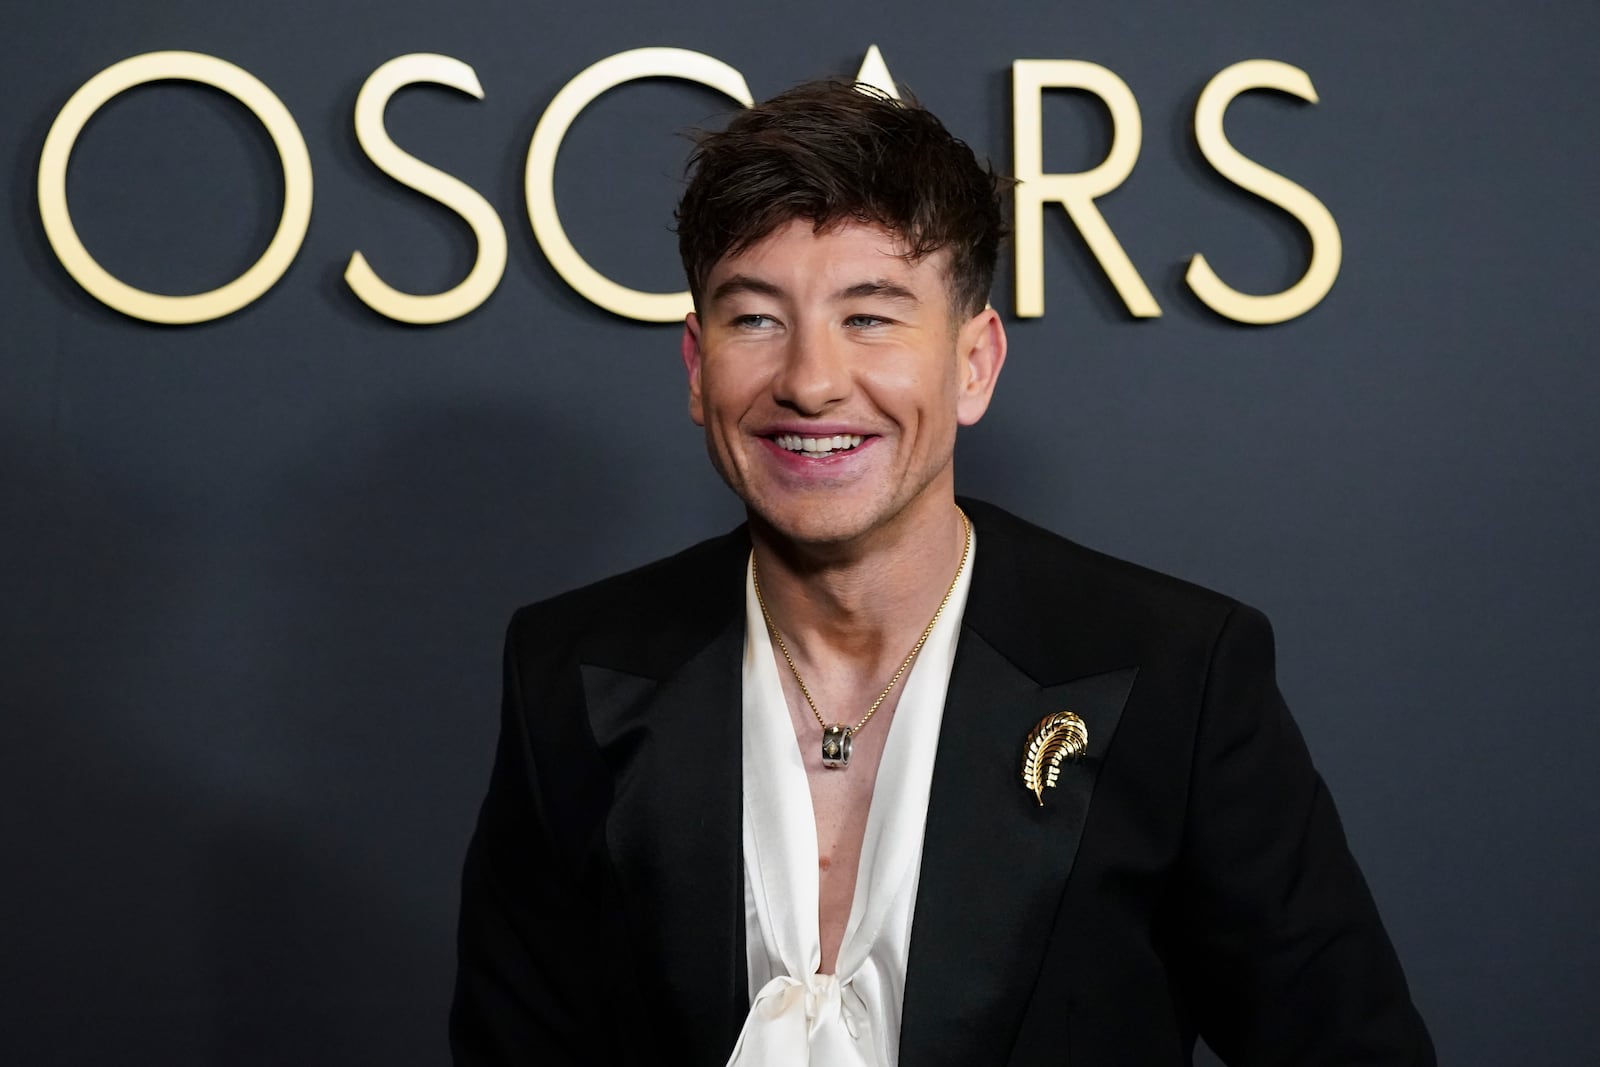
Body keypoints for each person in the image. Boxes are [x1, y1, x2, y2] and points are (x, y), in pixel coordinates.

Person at [450, 81, 1434, 1066]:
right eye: (756, 319)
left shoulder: (1174, 668)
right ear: (697, 368)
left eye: (870, 318)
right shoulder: (571, 667)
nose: (810, 379)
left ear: (973, 364)